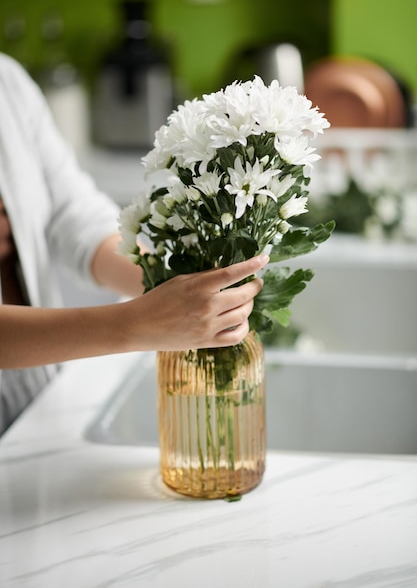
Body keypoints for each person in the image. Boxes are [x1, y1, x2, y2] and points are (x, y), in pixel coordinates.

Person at [0, 53, 267, 435]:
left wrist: (170, 282)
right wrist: (136, 324)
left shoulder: (7, 81)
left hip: (36, 397)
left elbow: (74, 215)